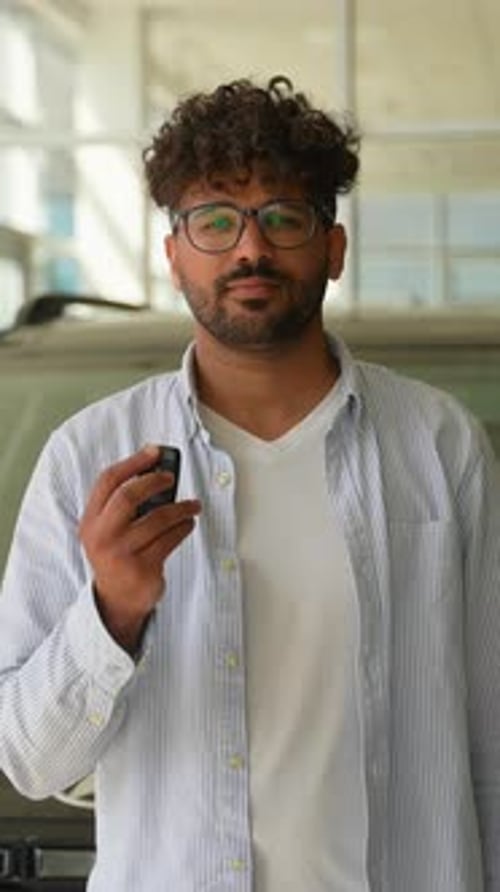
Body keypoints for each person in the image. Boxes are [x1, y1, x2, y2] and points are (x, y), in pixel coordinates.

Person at [0, 75, 499, 892]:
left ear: (332, 248)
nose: (250, 249)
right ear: (173, 255)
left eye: (283, 217)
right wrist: (112, 611)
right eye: (216, 220)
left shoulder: (439, 444)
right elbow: (25, 759)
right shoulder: (88, 455)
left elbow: (492, 737)